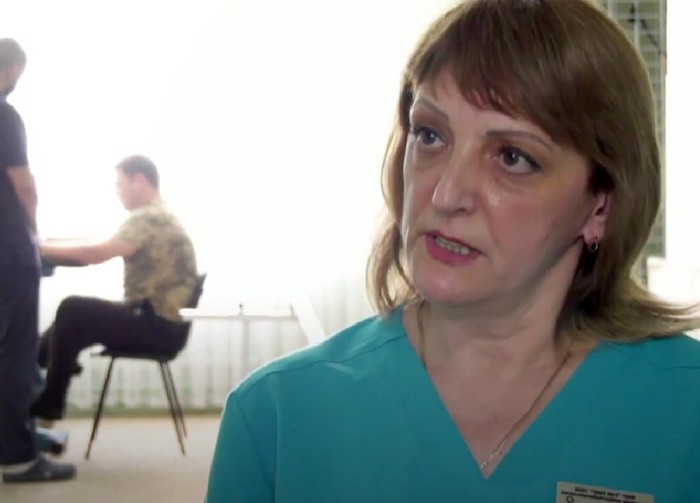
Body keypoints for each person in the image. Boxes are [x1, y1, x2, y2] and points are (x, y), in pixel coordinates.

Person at [205, 0, 700, 501]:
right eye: (430, 135)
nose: (445, 195)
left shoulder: (686, 411)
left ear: (601, 206)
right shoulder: (277, 417)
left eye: (512, 157)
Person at [31, 154, 198, 421]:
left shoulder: (149, 218)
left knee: (73, 310)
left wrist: (35, 248)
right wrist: (48, 243)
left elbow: (93, 253)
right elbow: (98, 243)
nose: (117, 192)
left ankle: (50, 397)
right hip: (159, 324)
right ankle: (45, 361)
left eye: (119, 184)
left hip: (157, 326)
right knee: (71, 321)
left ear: (138, 181)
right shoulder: (159, 215)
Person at [0, 38, 76, 483]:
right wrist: (33, 231)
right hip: (9, 251)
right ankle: (18, 459)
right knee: (15, 356)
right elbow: (24, 186)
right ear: (12, 69)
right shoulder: (5, 116)